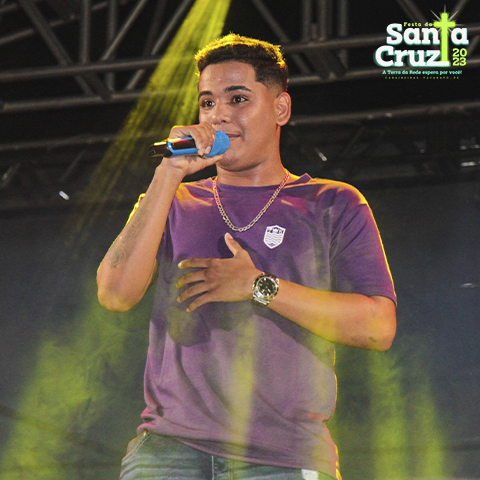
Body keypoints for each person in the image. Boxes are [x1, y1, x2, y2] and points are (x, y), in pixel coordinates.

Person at [97, 34, 396, 480]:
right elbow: (115, 294)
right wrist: (168, 173)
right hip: (167, 451)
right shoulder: (173, 200)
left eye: (238, 98)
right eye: (207, 102)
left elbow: (377, 328)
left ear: (280, 108)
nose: (218, 114)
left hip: (282, 454)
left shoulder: (331, 203)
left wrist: (258, 286)